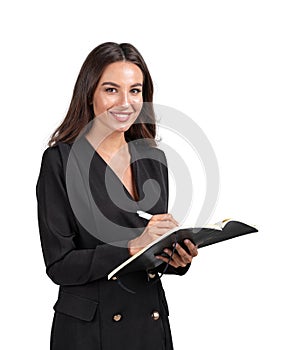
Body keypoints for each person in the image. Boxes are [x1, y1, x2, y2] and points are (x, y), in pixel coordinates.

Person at [36, 42, 198, 350]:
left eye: (135, 91)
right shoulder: (61, 161)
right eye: (112, 90)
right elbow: (59, 264)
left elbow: (150, 248)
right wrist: (132, 247)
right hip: (90, 332)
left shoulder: (152, 159)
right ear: (90, 93)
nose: (126, 102)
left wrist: (174, 258)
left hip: (148, 325)